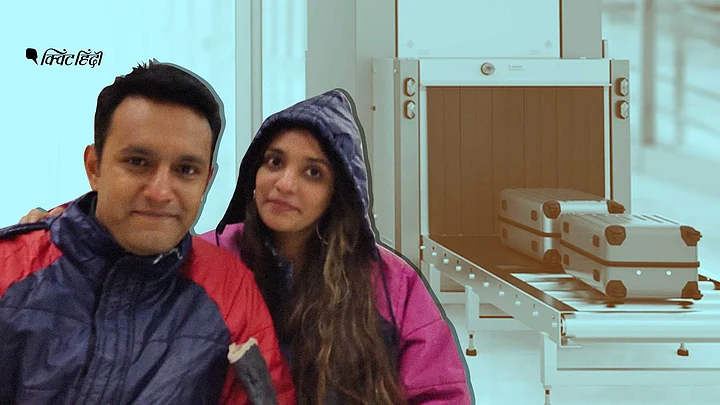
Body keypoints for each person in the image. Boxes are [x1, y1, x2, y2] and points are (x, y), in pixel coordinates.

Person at [20, 89, 473, 404]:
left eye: (313, 172)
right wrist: (60, 224)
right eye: (274, 162)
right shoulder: (207, 259)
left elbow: (441, 393)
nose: (285, 184)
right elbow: (129, 241)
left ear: (339, 193)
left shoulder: (392, 283)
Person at [1, 61, 295, 404]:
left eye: (186, 169)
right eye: (138, 162)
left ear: (206, 181)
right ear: (94, 167)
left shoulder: (231, 291)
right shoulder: (11, 269)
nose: (160, 192)